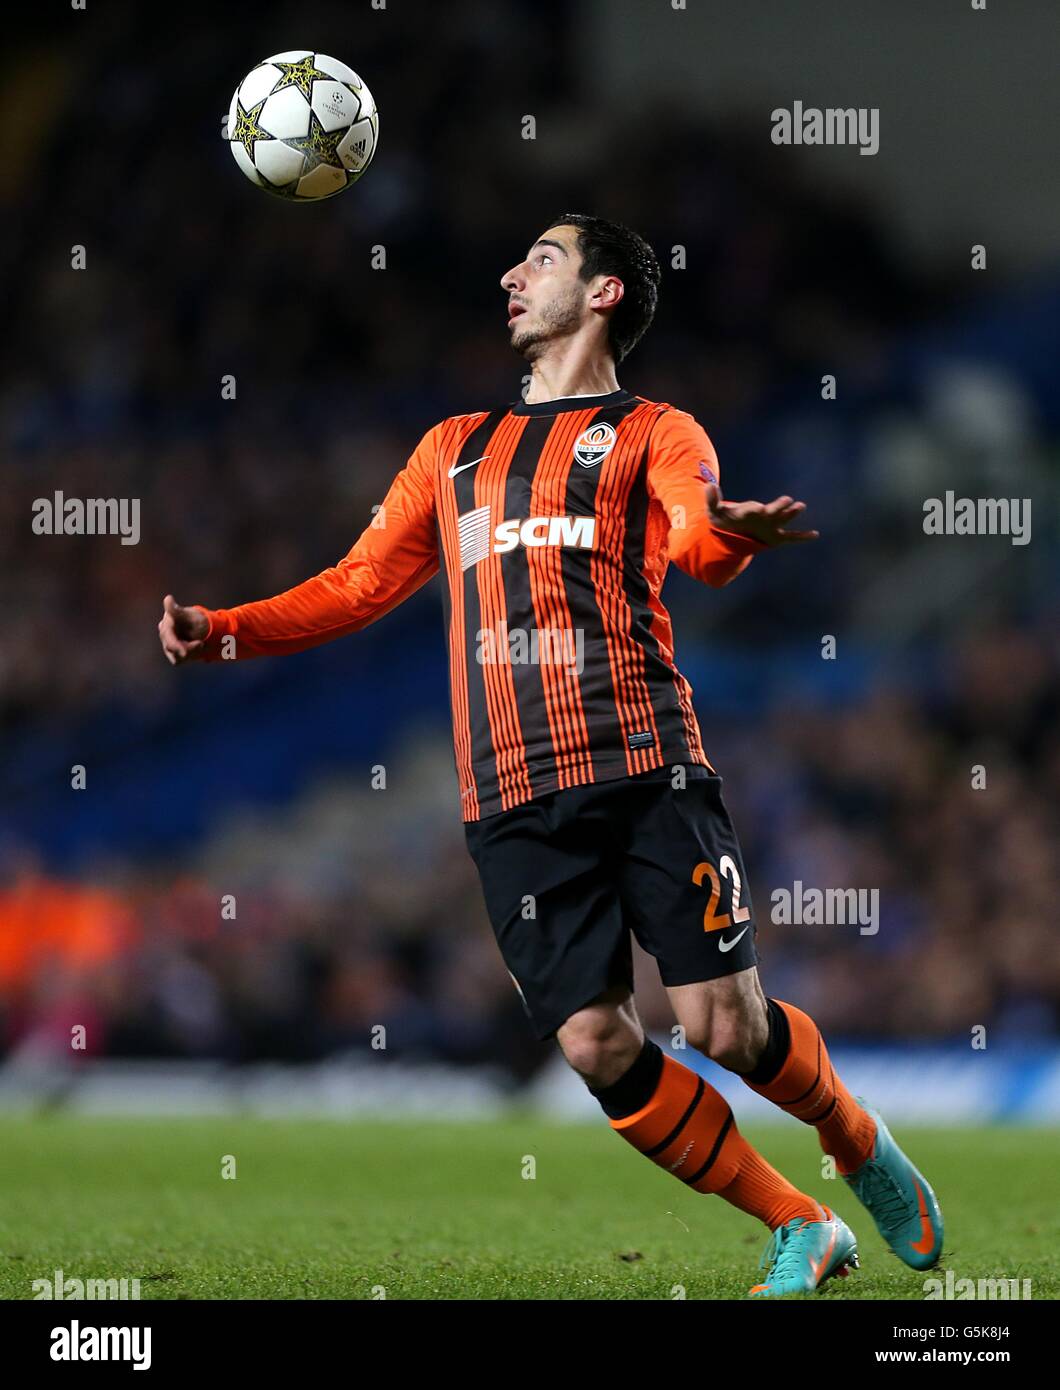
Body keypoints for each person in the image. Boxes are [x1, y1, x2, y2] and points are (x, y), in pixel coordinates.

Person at [159, 214, 942, 1295]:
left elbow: (694, 538)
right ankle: (800, 1222)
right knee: (594, 1042)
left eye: (540, 260)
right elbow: (357, 584)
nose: (508, 276)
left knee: (723, 1021)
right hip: (510, 794)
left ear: (606, 291)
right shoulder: (451, 449)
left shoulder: (656, 430)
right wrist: (228, 626)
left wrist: (730, 535)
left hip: (642, 761)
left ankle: (857, 1142)